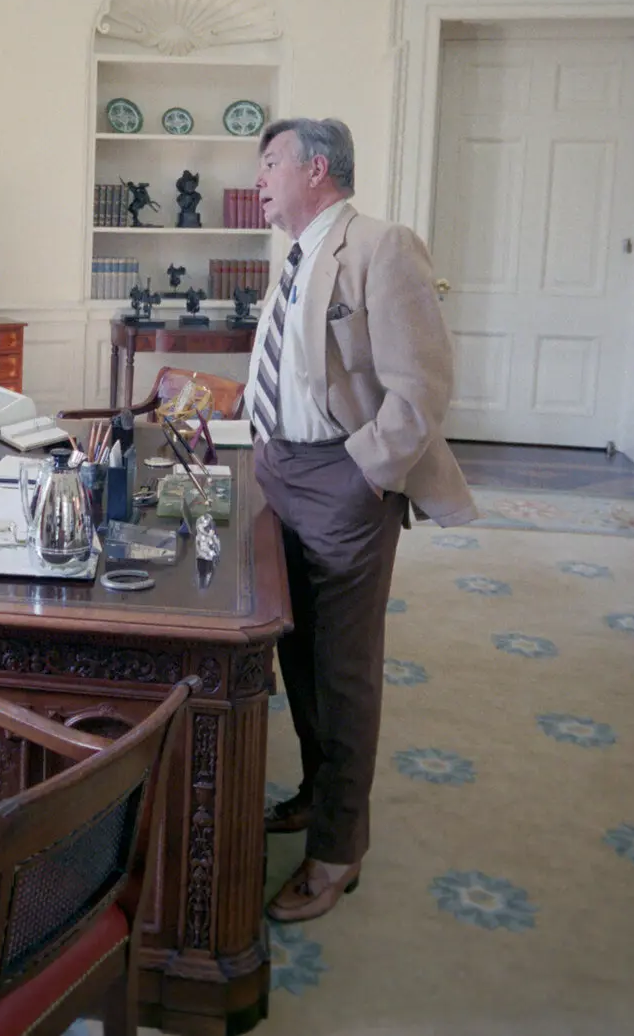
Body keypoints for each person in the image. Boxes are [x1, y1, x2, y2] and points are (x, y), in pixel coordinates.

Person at [248, 117, 476, 922]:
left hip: (341, 482)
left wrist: (362, 474)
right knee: (296, 655)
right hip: (280, 473)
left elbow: (422, 388)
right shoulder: (299, 255)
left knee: (343, 671)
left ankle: (339, 850)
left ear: (316, 169)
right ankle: (316, 794)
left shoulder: (383, 246)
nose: (260, 178)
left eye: (270, 163)